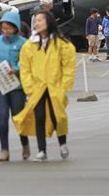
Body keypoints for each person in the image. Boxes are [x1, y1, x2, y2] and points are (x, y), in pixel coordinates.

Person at [13, 10, 76, 162]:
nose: (36, 23)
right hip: (37, 87)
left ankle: (62, 143)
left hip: (56, 86)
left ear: (49, 21)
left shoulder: (61, 44)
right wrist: (29, 87)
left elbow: (68, 65)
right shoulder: (29, 45)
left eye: (40, 20)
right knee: (39, 117)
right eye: (36, 21)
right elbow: (25, 68)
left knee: (58, 116)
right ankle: (42, 150)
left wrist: (64, 85)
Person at [0, 9, 30, 161]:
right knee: (2, 117)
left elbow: (26, 62)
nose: (6, 31)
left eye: (9, 28)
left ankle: (25, 144)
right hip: (0, 86)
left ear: (16, 27)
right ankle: (4, 149)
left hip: (17, 86)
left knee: (18, 118)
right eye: (3, 28)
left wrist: (16, 68)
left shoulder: (23, 43)